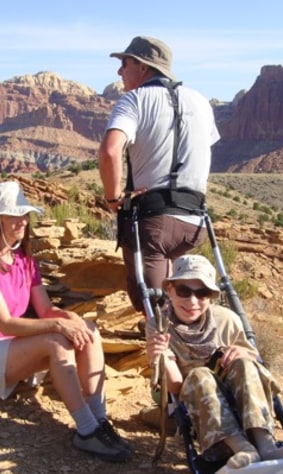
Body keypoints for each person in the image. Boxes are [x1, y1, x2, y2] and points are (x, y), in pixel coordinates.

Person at [0, 180, 133, 463]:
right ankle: (86, 431)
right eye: (14, 215)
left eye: (24, 214)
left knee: (89, 330)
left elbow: (45, 310)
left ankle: (99, 422)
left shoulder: (23, 259)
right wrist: (59, 326)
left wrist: (69, 318)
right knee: (56, 342)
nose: (22, 221)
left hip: (8, 346)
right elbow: (6, 324)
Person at [146, 254, 283, 469]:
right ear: (169, 290)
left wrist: (243, 353)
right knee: (200, 374)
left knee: (243, 363)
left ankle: (266, 446)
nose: (192, 301)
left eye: (202, 293)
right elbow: (176, 387)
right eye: (184, 291)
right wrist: (161, 357)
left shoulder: (226, 319)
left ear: (211, 296)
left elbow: (254, 358)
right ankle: (242, 448)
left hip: (235, 392)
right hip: (197, 400)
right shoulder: (159, 325)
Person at [99, 36, 220, 314]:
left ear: (143, 67)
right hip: (195, 222)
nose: (120, 71)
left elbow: (109, 152)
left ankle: (164, 349)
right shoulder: (201, 101)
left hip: (154, 222)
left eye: (125, 63)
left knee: (154, 308)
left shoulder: (134, 100)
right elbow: (203, 148)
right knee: (179, 301)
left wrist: (113, 198)